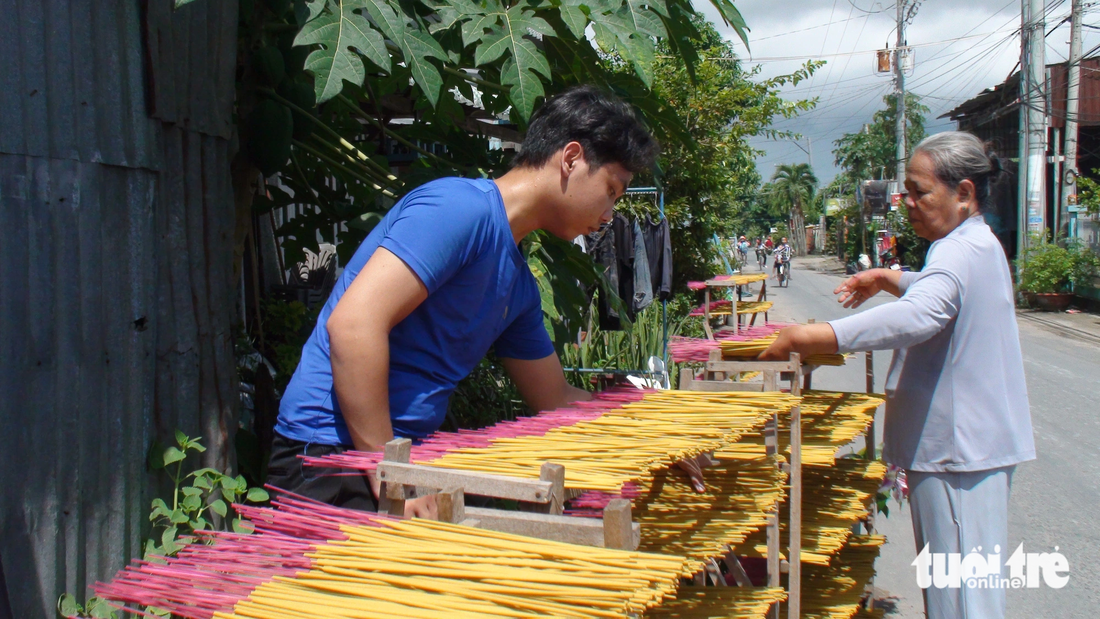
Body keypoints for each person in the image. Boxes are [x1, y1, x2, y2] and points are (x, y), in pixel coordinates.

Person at [268, 86, 708, 517]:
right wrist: (392, 476)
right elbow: (353, 326)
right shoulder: (459, 210)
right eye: (611, 189)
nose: (610, 213)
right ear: (571, 159)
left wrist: (649, 433)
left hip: (395, 460)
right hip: (330, 456)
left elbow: (553, 395)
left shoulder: (516, 285)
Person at [759, 131, 1034, 619]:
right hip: (972, 449)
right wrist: (890, 278)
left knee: (961, 601)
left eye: (919, 191)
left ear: (964, 194)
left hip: (959, 452)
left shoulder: (957, 252)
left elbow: (920, 315)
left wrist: (808, 336)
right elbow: (939, 292)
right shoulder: (974, 243)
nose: (906, 202)